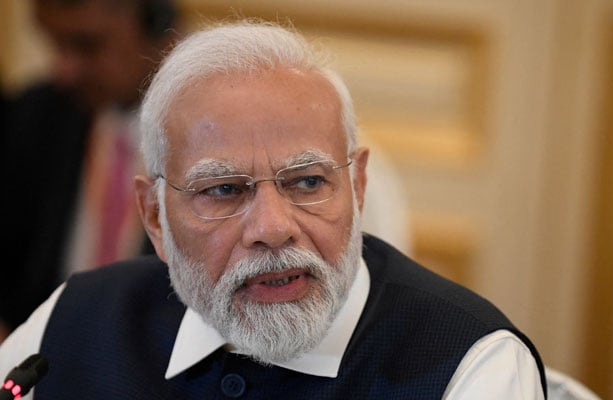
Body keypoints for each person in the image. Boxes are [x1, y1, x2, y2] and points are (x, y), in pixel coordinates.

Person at [0, 20, 547, 399]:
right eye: (222, 190)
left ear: (356, 187)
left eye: (308, 182)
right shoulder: (73, 325)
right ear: (154, 216)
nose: (272, 228)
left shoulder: (467, 365)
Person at [0, 0, 179, 339]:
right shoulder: (35, 116)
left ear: (159, 26)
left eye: (87, 45)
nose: (65, 69)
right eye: (56, 44)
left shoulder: (218, 135)